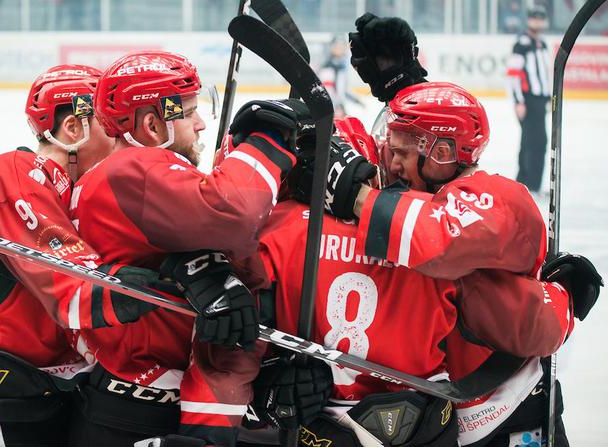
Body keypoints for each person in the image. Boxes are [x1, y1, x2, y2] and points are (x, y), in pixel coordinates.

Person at [231, 117, 574, 447]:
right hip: (442, 419)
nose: (393, 166)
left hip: (311, 424)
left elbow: (227, 328)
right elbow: (530, 324)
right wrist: (563, 297)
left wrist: (264, 387)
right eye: (390, 153)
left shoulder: (276, 226)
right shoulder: (428, 244)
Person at [299, 81, 602, 446]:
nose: (391, 163)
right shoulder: (426, 186)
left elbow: (436, 238)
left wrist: (355, 194)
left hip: (509, 413)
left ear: (442, 152)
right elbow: (361, 148)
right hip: (445, 414)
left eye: (402, 152)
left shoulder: (501, 197)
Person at [68, 50, 307, 446]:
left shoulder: (115, 177)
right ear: (151, 124)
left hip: (126, 403)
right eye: (189, 112)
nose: (199, 124)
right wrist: (267, 142)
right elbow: (233, 213)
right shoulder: (132, 170)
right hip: (140, 415)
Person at [0, 65, 167, 446]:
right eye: (107, 125)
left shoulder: (80, 195)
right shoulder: (14, 172)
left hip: (61, 393)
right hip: (0, 401)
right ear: (73, 130)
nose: (118, 136)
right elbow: (67, 280)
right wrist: (117, 288)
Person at [506, 5, 551, 195]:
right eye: (535, 18)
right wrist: (518, 101)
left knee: (533, 141)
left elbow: (545, 75)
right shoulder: (522, 44)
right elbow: (513, 75)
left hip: (540, 100)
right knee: (535, 141)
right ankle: (529, 184)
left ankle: (525, 183)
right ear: (529, 20)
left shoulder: (543, 43)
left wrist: (548, 97)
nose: (538, 22)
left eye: (541, 18)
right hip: (528, 100)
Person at [319, 35, 363, 118]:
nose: (340, 48)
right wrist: (337, 107)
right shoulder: (327, 68)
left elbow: (342, 90)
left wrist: (355, 100)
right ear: (332, 47)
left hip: (338, 108)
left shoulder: (342, 66)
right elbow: (328, 91)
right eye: (337, 45)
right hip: (333, 110)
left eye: (342, 46)